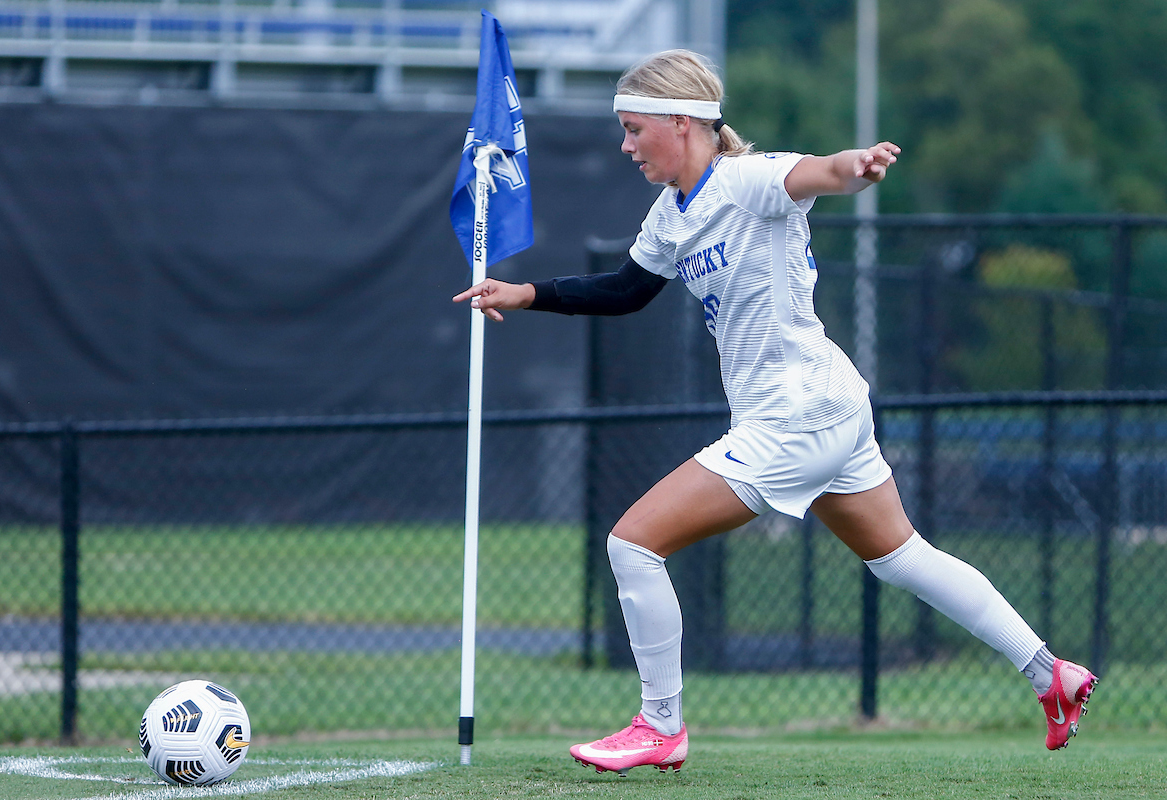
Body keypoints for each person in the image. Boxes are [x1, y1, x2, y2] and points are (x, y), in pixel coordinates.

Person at [453, 49, 1097, 776]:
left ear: (682, 121)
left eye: (635, 130)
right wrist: (526, 293)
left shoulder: (749, 181)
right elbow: (627, 290)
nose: (627, 146)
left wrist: (856, 165)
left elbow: (816, 171)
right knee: (901, 557)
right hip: (830, 406)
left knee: (632, 545)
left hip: (796, 417)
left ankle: (660, 725)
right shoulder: (671, 213)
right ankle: (1051, 674)